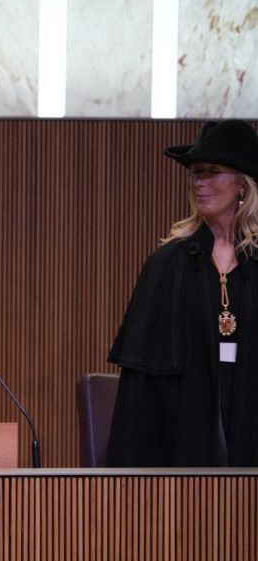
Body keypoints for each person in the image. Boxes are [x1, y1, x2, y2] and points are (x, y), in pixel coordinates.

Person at [107, 119, 258, 466]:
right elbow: (140, 389)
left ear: (243, 184)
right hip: (183, 428)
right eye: (195, 173)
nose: (199, 182)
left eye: (212, 172)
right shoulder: (169, 263)